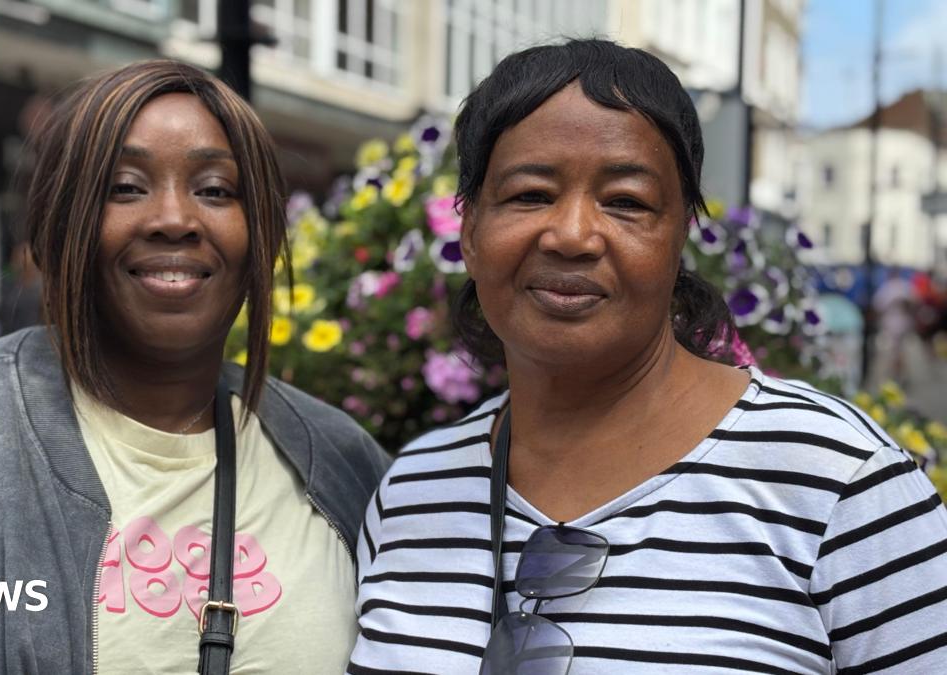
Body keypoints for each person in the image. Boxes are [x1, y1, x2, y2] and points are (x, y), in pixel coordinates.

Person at [0, 60, 388, 673]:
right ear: (57, 229)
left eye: (215, 190)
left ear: (263, 237)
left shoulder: (347, 466)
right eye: (125, 188)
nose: (173, 219)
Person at [350, 39, 947, 674]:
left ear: (681, 236)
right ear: (469, 232)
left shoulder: (837, 484)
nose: (573, 235)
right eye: (529, 195)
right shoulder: (412, 491)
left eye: (626, 202)